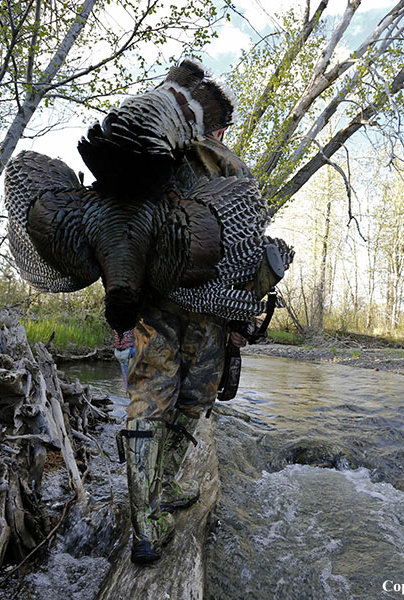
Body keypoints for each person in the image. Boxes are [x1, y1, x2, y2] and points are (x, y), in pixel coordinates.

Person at [120, 129, 259, 565]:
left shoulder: (145, 158)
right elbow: (248, 247)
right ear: (217, 126)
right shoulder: (231, 166)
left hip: (151, 303)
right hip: (210, 309)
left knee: (148, 399)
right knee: (194, 400)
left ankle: (146, 522)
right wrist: (243, 318)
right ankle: (160, 491)